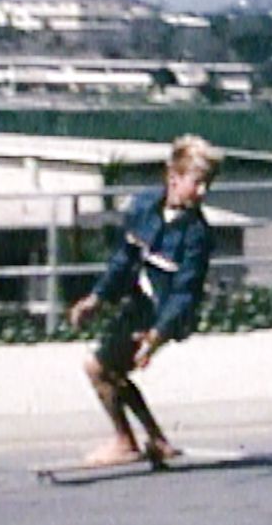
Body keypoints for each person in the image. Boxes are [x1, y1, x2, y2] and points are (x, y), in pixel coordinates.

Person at [69, 134, 223, 467]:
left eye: (208, 184)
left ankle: (126, 441)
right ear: (173, 178)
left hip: (166, 315)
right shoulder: (142, 208)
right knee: (109, 370)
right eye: (197, 183)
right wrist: (97, 298)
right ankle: (156, 440)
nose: (204, 192)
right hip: (140, 305)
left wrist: (156, 336)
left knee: (98, 367)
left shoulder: (197, 234)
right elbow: (123, 260)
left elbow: (186, 292)